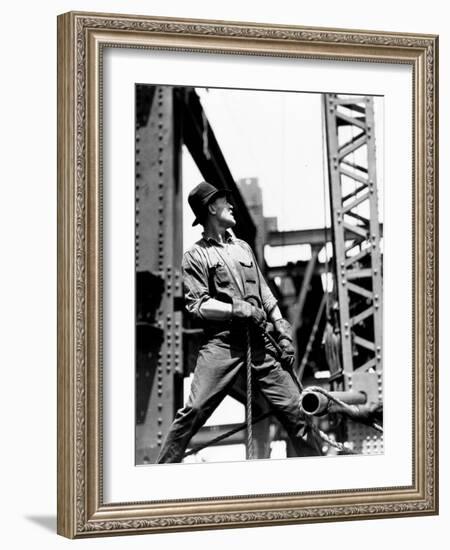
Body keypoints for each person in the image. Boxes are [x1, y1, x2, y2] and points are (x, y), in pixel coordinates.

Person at [156, 181, 321, 463]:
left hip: (261, 342)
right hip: (222, 345)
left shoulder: (243, 247)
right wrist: (236, 309)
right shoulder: (195, 256)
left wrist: (281, 327)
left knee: (298, 411)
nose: (231, 206)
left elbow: (264, 291)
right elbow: (198, 305)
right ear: (211, 208)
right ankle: (157, 477)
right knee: (194, 411)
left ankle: (324, 474)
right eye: (225, 202)